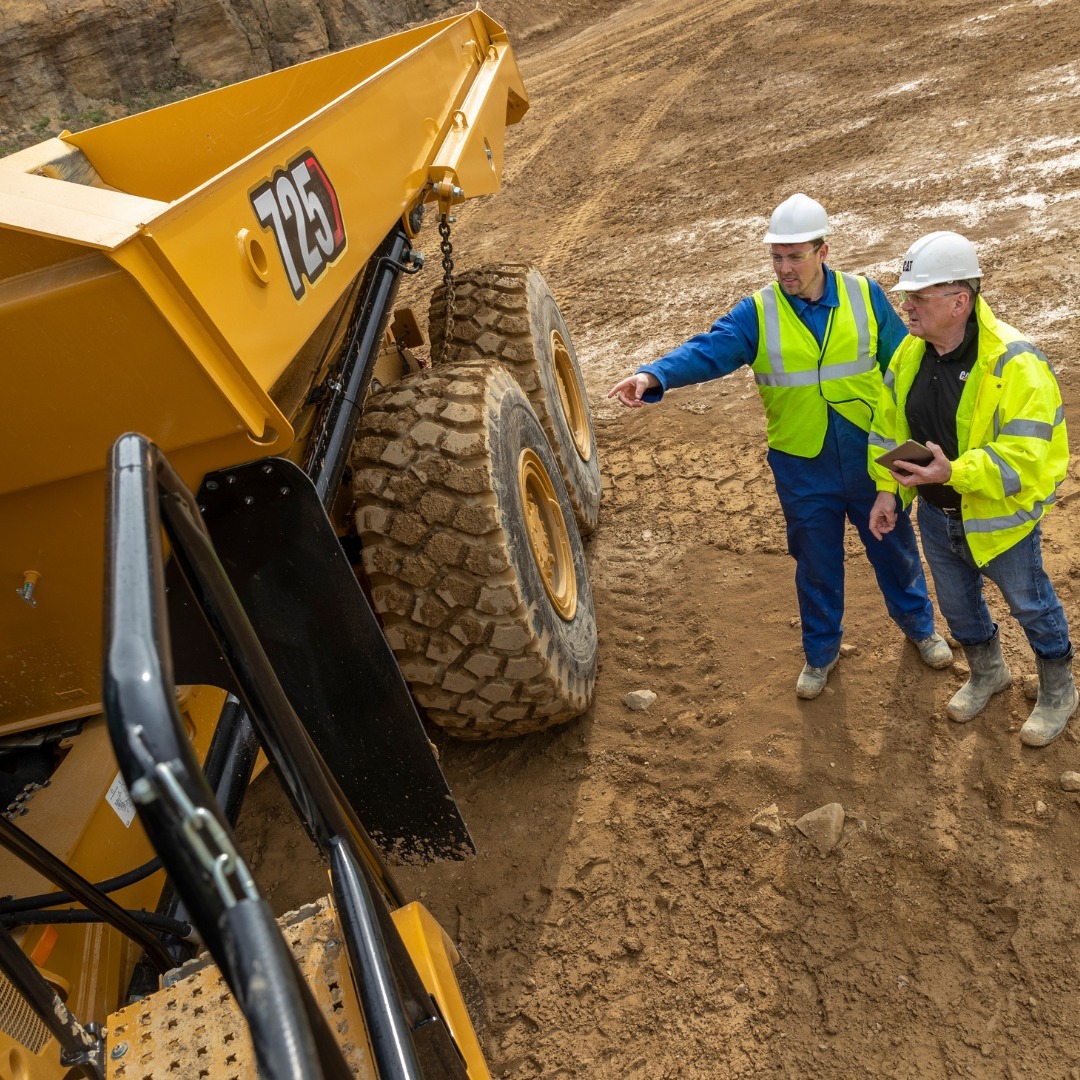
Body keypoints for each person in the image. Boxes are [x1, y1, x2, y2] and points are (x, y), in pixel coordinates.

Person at [608, 193, 952, 699]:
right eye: (777, 257)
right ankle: (820, 653)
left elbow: (907, 367)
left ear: (823, 251)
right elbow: (711, 349)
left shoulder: (866, 296)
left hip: (875, 452)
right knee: (815, 560)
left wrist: (922, 445)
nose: (785, 267)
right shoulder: (758, 311)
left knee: (896, 545)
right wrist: (653, 374)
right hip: (800, 462)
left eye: (795, 256)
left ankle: (921, 628)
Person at [868, 230, 1076, 746]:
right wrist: (888, 491)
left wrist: (954, 473)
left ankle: (1058, 689)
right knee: (958, 606)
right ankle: (989, 673)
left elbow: (1027, 456)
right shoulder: (910, 355)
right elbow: (889, 428)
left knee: (1031, 604)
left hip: (1001, 520)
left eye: (918, 297)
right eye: (906, 296)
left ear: (960, 301)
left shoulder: (1014, 361)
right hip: (937, 517)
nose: (907, 307)